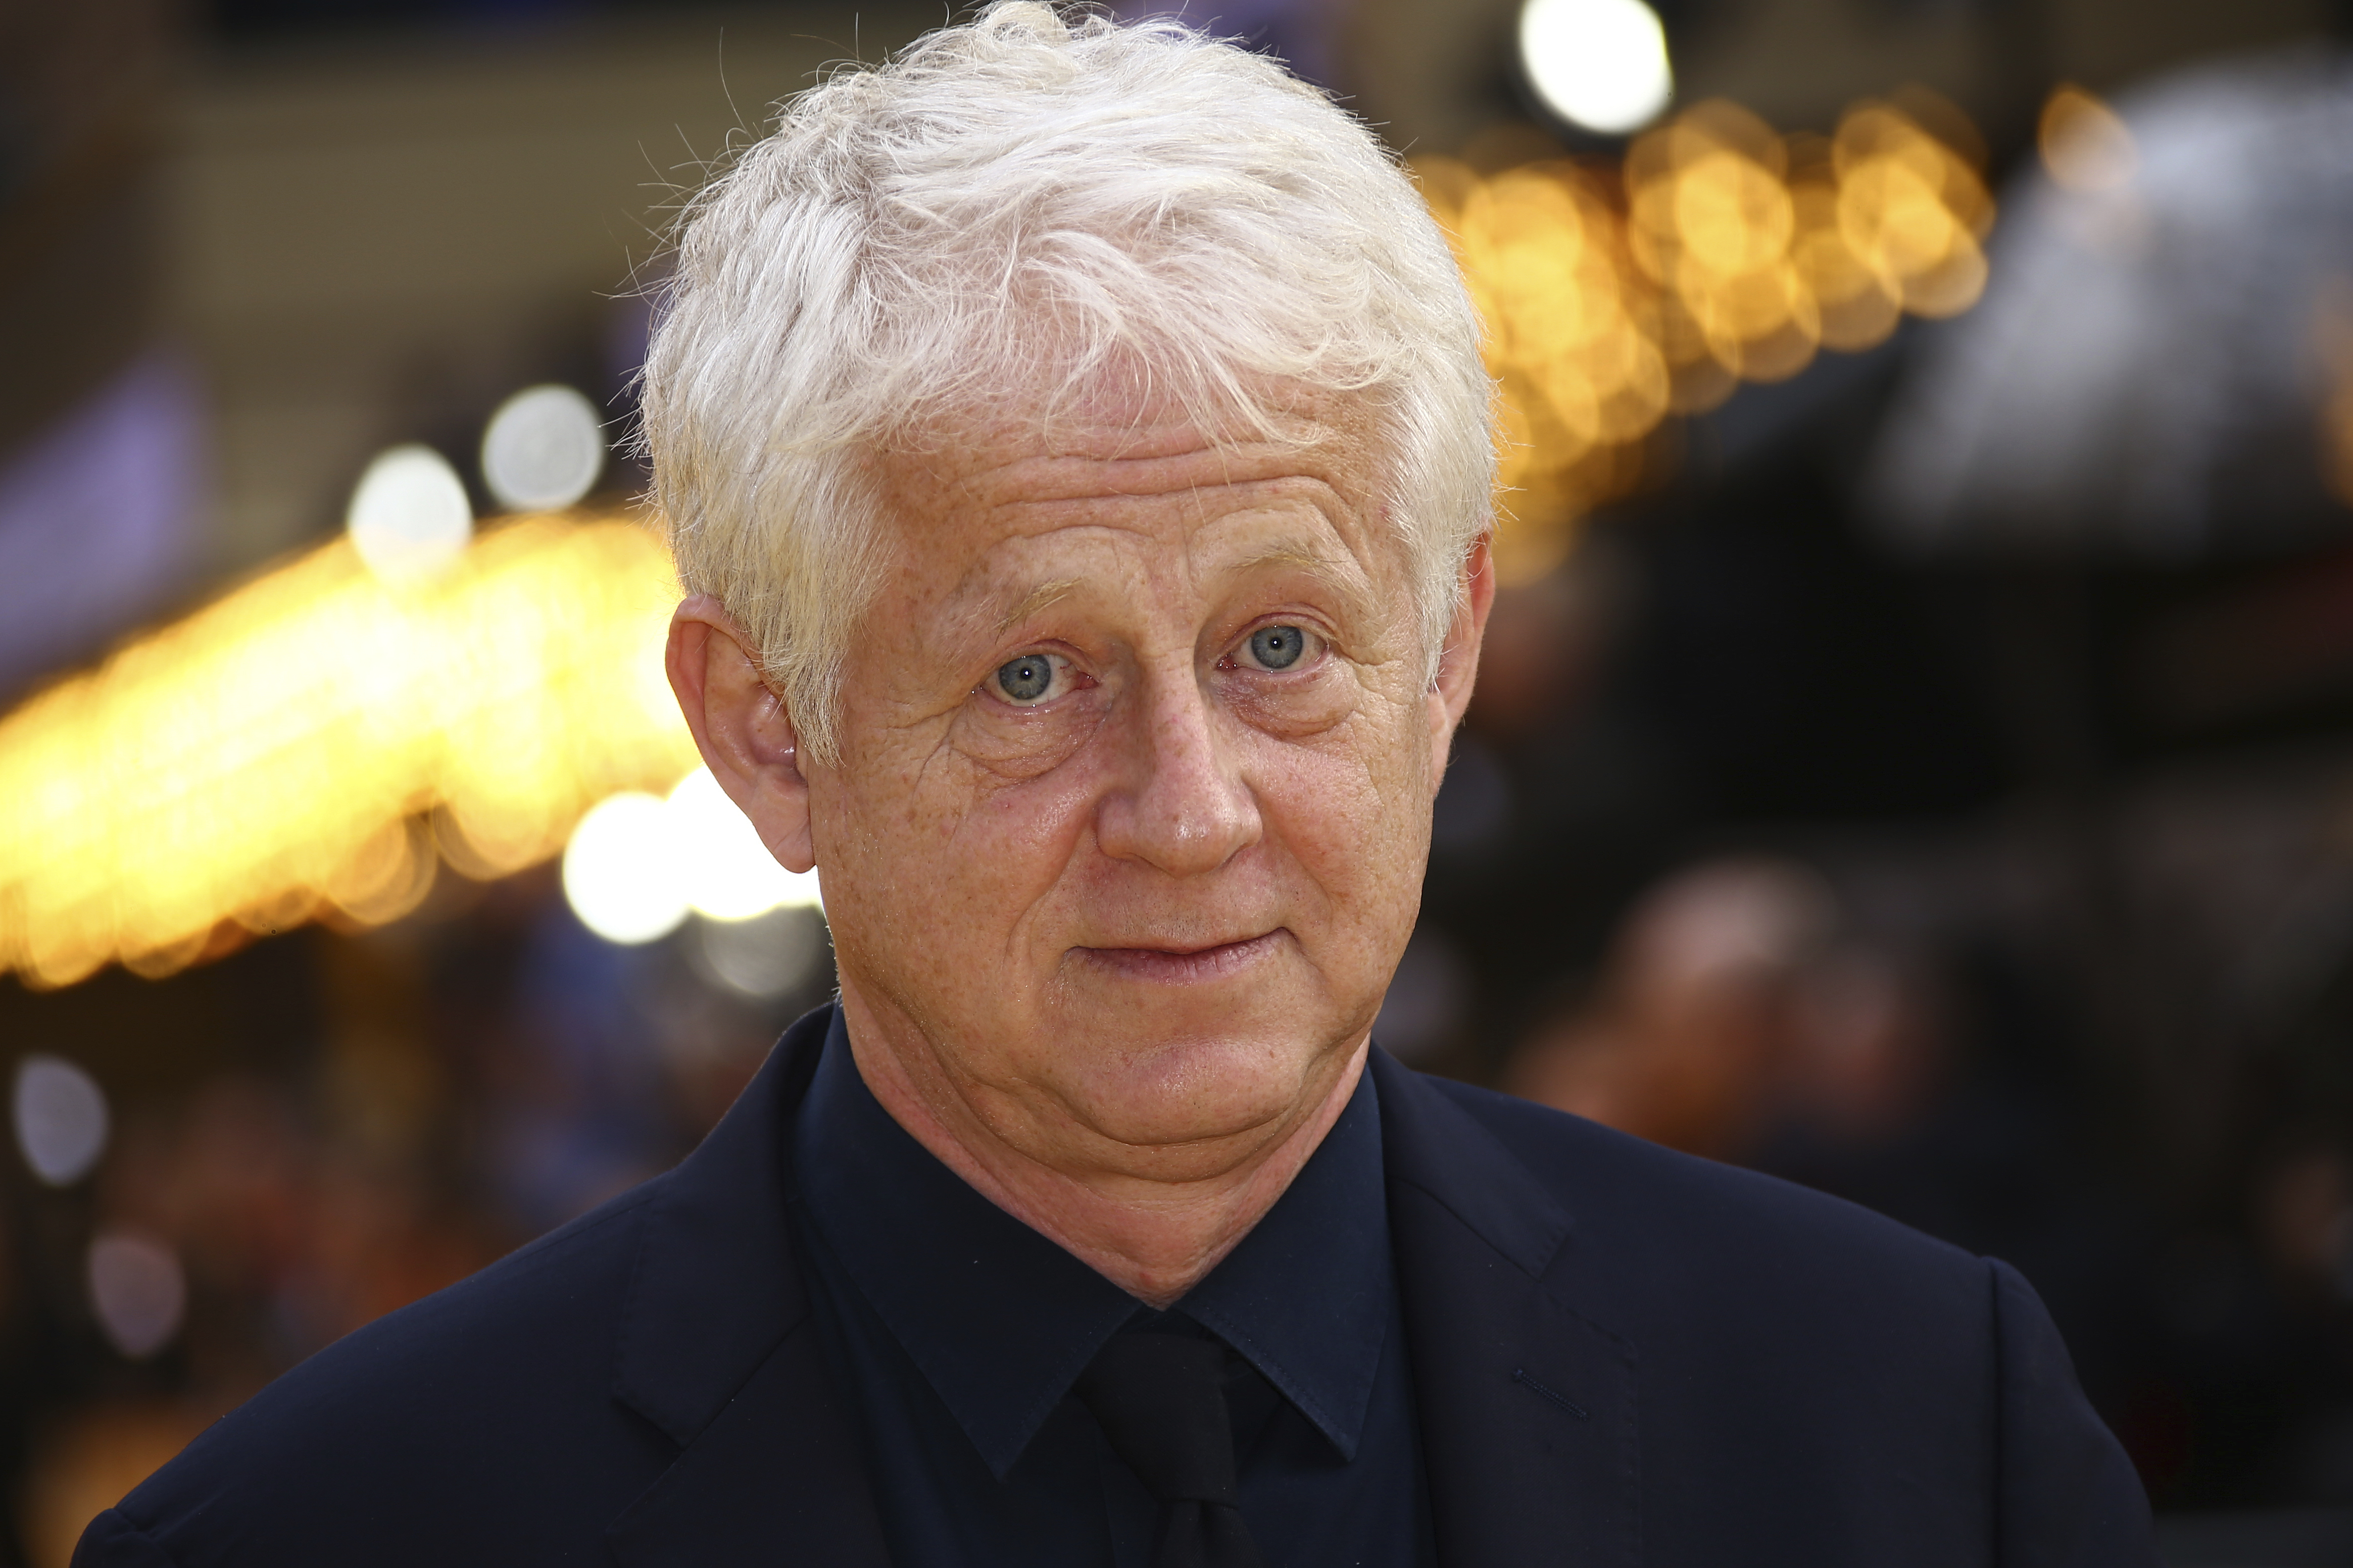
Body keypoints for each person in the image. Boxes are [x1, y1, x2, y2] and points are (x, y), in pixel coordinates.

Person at [76, 8, 2156, 1564]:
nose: (1189, 809)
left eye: (1278, 647)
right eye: (1033, 673)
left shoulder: (1904, 1429)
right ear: (765, 731)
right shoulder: (328, 1535)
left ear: (1443, 658)